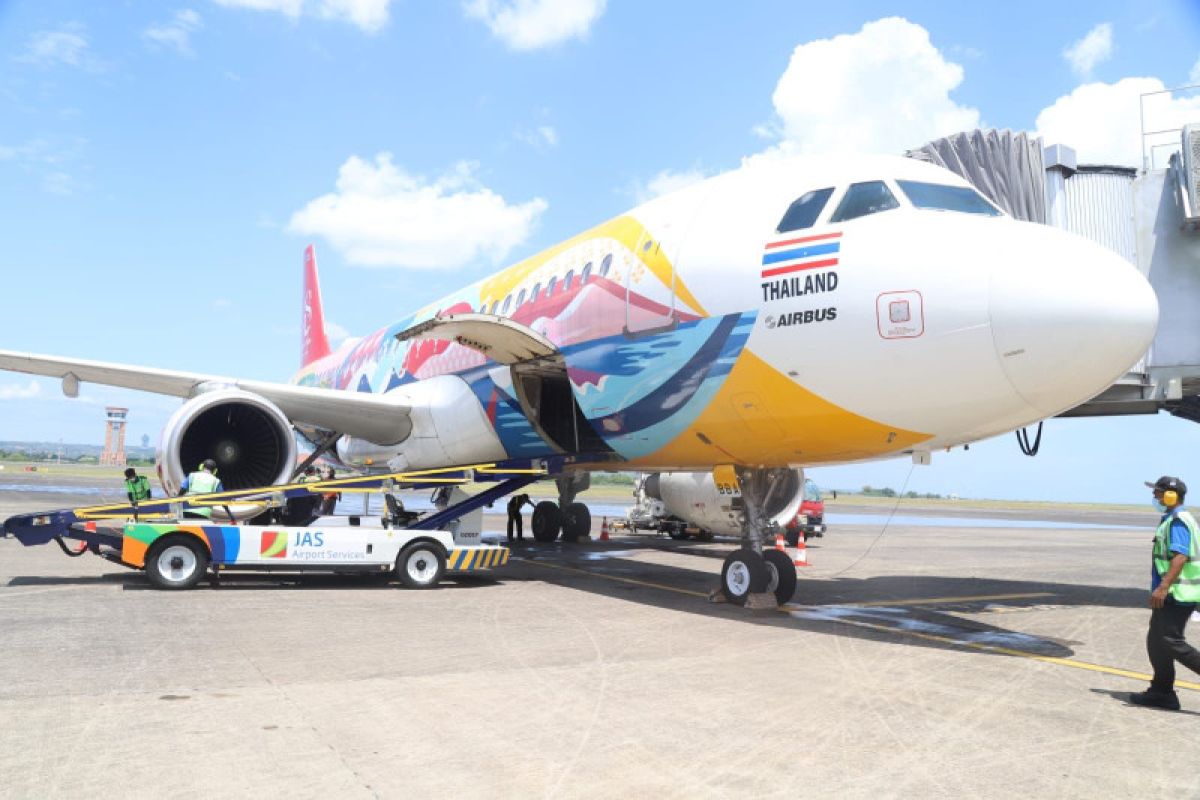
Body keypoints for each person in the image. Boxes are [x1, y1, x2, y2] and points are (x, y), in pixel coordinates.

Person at [1130, 475, 1200, 711]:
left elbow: (1180, 557)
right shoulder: (1171, 519)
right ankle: (1162, 692)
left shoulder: (1178, 521)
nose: (1154, 497)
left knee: (1170, 641)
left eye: (1158, 493)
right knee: (1156, 641)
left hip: (1178, 593)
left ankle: (1162, 692)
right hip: (1173, 592)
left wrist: (1163, 587)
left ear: (1171, 495)